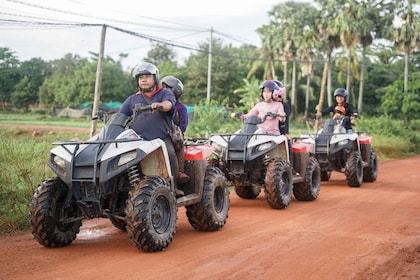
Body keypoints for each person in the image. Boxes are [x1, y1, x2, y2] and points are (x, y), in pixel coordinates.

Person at [119, 62, 189, 196]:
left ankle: (173, 187)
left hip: (161, 139)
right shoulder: (132, 99)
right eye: (140, 77)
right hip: (136, 141)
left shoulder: (164, 93)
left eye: (147, 76)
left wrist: (160, 106)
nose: (143, 80)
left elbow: (169, 104)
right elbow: (120, 115)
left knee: (170, 153)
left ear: (155, 78)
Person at [160, 75, 189, 188]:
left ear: (176, 91)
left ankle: (179, 173)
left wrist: (174, 133)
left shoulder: (181, 108)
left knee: (177, 146)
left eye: (168, 88)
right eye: (163, 88)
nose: (165, 90)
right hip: (161, 134)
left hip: (175, 135)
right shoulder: (160, 105)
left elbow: (183, 126)